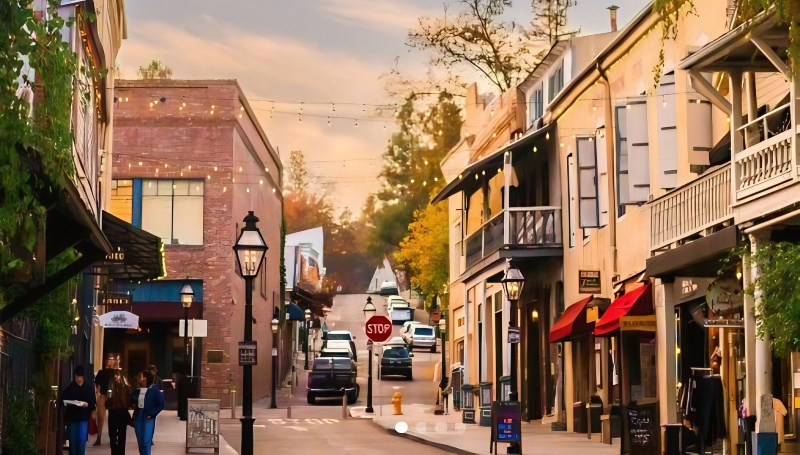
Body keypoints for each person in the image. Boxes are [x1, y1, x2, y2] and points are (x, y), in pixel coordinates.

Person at [61, 366, 97, 455]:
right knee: (73, 439)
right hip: (73, 417)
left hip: (83, 416)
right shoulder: (71, 387)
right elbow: (64, 397)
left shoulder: (87, 387)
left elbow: (92, 401)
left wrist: (91, 408)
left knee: (81, 439)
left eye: (80, 377)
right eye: (77, 376)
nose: (79, 379)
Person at [132, 370, 165, 455]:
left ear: (146, 379)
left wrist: (152, 413)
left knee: (146, 440)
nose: (141, 379)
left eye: (142, 377)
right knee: (140, 441)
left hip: (147, 416)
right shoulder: (138, 390)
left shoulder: (154, 389)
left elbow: (161, 404)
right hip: (139, 415)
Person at [106, 371, 132, 455]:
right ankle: (119, 452)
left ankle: (116, 452)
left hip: (116, 412)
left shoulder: (118, 387)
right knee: (120, 435)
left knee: (116, 435)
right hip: (119, 412)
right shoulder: (124, 387)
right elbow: (128, 401)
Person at [93, 356, 116, 445]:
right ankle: (100, 437)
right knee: (101, 417)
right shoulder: (105, 372)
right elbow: (97, 383)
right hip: (104, 395)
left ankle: (106, 438)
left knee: (108, 418)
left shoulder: (107, 373)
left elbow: (97, 383)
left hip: (106, 395)